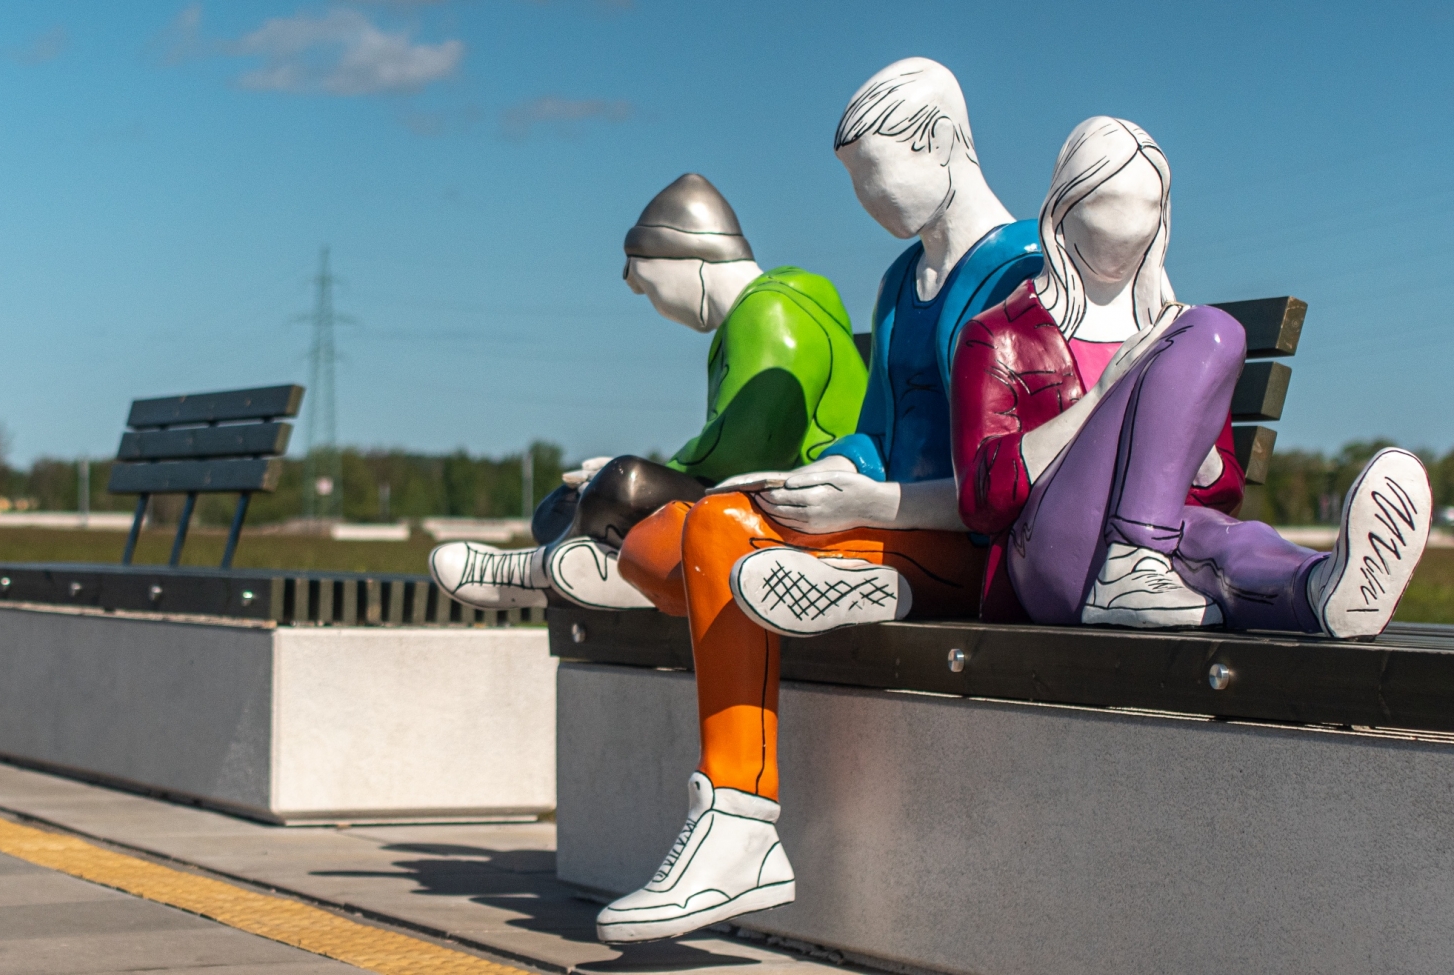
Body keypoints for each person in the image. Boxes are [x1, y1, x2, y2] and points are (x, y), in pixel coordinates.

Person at [595, 58, 1040, 945]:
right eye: (853, 183)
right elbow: (877, 430)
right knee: (699, 526)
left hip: (979, 543)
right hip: (892, 519)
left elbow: (1019, 482)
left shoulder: (1021, 273)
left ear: (942, 142)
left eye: (874, 174)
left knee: (721, 544)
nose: (866, 201)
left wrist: (875, 502)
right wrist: (822, 476)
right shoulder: (900, 282)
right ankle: (848, 594)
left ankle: (739, 821)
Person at [951, 116, 1431, 635]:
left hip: (1160, 545)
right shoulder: (998, 335)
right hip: (1049, 558)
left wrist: (1176, 432)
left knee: (1224, 544)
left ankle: (1320, 588)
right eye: (1108, 202)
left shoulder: (1173, 338)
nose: (1129, 224)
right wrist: (1105, 394)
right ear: (1064, 208)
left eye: (1149, 205)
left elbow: (1223, 492)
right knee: (1213, 331)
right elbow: (980, 500)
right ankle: (1130, 564)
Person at [428, 173, 866, 612]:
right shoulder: (757, 313)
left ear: (686, 261)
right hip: (761, 492)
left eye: (651, 287)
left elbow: (751, 445)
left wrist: (655, 472)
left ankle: (539, 573)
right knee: (564, 503)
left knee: (625, 483)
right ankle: (596, 561)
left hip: (792, 503)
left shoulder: (770, 309)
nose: (658, 306)